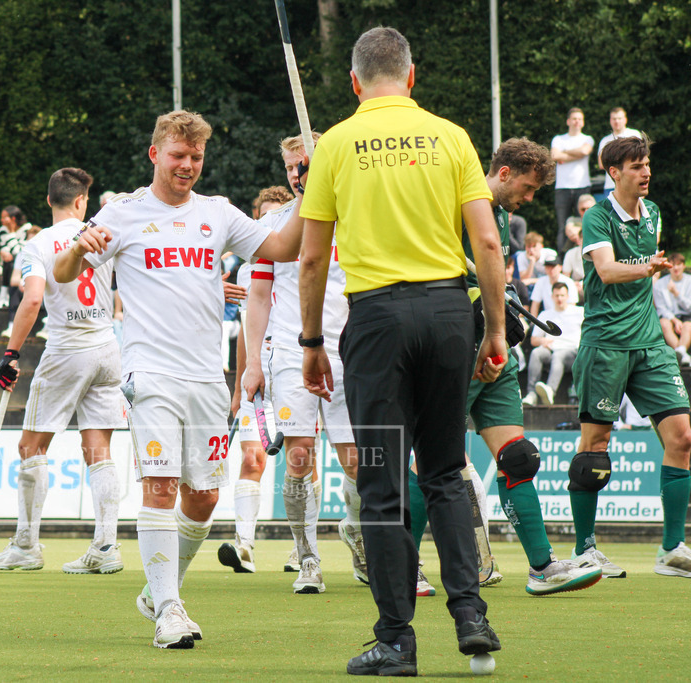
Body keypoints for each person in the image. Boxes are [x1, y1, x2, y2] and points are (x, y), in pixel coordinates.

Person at [54, 110, 305, 649]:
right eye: (178, 155)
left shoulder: (217, 213)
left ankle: (159, 589)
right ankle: (169, 610)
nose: (188, 165)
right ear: (155, 155)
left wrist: (312, 193)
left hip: (207, 379)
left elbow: (282, 248)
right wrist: (78, 248)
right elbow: (63, 274)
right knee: (161, 487)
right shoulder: (120, 215)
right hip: (150, 376)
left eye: (195, 157)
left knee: (204, 498)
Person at [298, 27, 505, 675]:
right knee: (445, 472)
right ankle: (471, 612)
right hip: (448, 315)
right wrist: (493, 329)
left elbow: (310, 259)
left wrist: (310, 341)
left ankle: (396, 640)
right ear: (411, 77)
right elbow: (489, 246)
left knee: (383, 483)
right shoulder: (452, 136)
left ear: (356, 82)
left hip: (378, 325)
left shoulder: (335, 142)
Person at [409, 137, 600, 599]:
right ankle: (400, 564)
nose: (531, 199)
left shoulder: (499, 214)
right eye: (530, 188)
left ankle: (541, 567)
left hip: (492, 346)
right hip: (456, 344)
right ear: (506, 172)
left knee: (518, 457)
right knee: (432, 459)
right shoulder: (455, 197)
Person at [0, 167, 126, 575]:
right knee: (99, 451)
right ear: (82, 201)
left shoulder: (38, 244)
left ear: (49, 200)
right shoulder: (102, 232)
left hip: (66, 350)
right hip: (107, 347)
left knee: (31, 448)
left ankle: (26, 546)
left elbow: (32, 302)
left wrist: (11, 352)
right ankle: (105, 546)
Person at [239, 134, 362, 593]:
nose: (296, 174)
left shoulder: (354, 213)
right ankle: (307, 559)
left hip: (347, 350)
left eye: (304, 165)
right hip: (291, 352)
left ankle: (356, 530)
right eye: (290, 167)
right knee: (299, 457)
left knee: (355, 462)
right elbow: (256, 296)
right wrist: (253, 363)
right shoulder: (275, 222)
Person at [571, 134, 691, 579]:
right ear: (614, 173)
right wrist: (648, 268)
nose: (646, 172)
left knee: (682, 438)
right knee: (595, 449)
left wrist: (649, 270)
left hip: (650, 345)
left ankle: (671, 550)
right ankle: (585, 549)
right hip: (605, 345)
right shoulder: (598, 217)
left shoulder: (654, 212)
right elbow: (605, 270)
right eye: (637, 166)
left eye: (647, 164)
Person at [217, 186, 293, 575]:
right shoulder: (248, 267)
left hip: (295, 366)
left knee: (302, 459)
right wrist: (239, 384)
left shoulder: (304, 256)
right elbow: (249, 326)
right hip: (258, 373)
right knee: (251, 457)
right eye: (263, 217)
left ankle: (302, 548)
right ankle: (244, 545)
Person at [523, 281, 584, 406]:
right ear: (552, 297)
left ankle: (550, 390)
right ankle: (531, 394)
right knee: (536, 353)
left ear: (568, 296)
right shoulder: (545, 314)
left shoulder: (579, 312)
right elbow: (533, 340)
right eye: (557, 296)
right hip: (551, 349)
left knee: (559, 356)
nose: (559, 298)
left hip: (572, 353)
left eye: (562, 295)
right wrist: (542, 340)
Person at [551, 107, 595, 253]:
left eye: (580, 119)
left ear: (583, 122)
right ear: (568, 121)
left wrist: (564, 153)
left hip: (582, 186)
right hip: (562, 188)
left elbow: (584, 151)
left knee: (585, 223)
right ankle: (562, 258)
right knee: (563, 225)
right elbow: (554, 156)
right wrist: (576, 154)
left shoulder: (588, 139)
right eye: (574, 119)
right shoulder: (558, 139)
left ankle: (585, 253)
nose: (577, 122)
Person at [654, 253, 691, 366]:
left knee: (688, 326)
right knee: (663, 324)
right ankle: (683, 354)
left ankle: (679, 353)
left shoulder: (689, 281)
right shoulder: (659, 284)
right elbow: (661, 309)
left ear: (683, 266)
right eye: (673, 265)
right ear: (668, 267)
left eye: (679, 264)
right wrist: (674, 320)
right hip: (669, 317)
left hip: (687, 316)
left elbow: (689, 307)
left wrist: (676, 294)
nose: (676, 268)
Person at [597, 107, 641, 193]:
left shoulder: (634, 135)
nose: (617, 121)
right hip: (611, 186)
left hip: (632, 183)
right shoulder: (605, 140)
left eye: (619, 118)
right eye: (614, 119)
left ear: (625, 119)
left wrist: (612, 157)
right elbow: (601, 164)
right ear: (610, 121)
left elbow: (639, 158)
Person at [0, 205, 28, 310]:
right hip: (8, 262)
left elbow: (19, 251)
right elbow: (4, 248)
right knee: (8, 262)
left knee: (11, 262)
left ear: (13, 218)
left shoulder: (27, 229)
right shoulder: (2, 230)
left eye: (4, 217)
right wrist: (3, 252)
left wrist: (12, 232)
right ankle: (3, 295)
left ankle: (4, 294)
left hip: (24, 262)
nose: (2, 220)